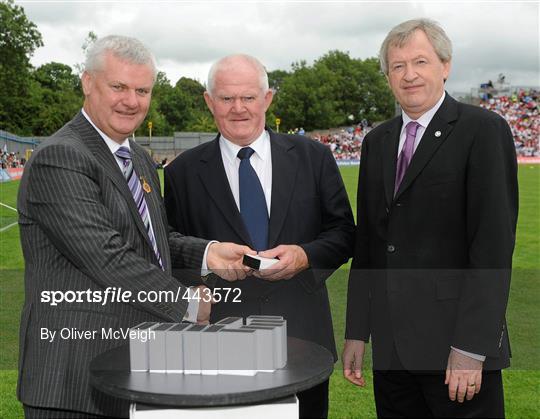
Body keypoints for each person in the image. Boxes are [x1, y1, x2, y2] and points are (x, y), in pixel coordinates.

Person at [17, 35, 252, 418]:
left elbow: (153, 241)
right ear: (88, 82)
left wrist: (209, 253)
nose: (131, 100)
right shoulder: (60, 157)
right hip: (74, 380)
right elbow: (106, 256)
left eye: (142, 90)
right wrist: (187, 304)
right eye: (118, 87)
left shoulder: (139, 159)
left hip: (134, 369)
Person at [342, 18, 518, 418]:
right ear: (387, 76)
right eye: (397, 66)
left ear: (445, 65)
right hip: (393, 353)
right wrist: (357, 331)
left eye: (420, 62)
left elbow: (492, 246)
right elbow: (368, 245)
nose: (409, 75)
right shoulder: (377, 141)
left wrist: (472, 348)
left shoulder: (483, 131)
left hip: (456, 351)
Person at [164, 54, 355, 418]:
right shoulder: (183, 173)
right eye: (226, 98)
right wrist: (202, 269)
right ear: (209, 102)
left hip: (302, 336)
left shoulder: (313, 157)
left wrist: (305, 255)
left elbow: (344, 232)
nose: (238, 108)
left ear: (267, 99)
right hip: (219, 339)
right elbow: (168, 244)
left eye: (249, 97)